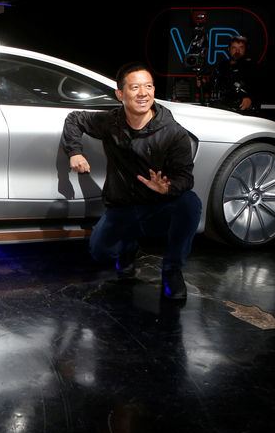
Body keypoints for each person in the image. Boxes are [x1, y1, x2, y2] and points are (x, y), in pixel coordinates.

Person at [62, 62, 202, 300]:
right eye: (135, 87)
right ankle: (129, 247)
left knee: (190, 203)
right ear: (120, 94)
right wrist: (75, 151)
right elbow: (75, 118)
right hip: (123, 206)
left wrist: (167, 187)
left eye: (148, 86)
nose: (143, 93)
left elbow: (185, 177)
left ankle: (172, 270)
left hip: (158, 206)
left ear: (154, 91)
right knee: (100, 252)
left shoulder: (173, 132)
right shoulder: (111, 122)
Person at [202, 35, 260, 112]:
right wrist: (203, 83)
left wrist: (251, 99)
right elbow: (213, 87)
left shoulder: (252, 67)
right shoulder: (222, 66)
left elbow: (261, 89)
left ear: (245, 50)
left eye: (241, 48)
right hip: (220, 109)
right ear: (229, 49)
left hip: (241, 111)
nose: (237, 51)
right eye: (234, 48)